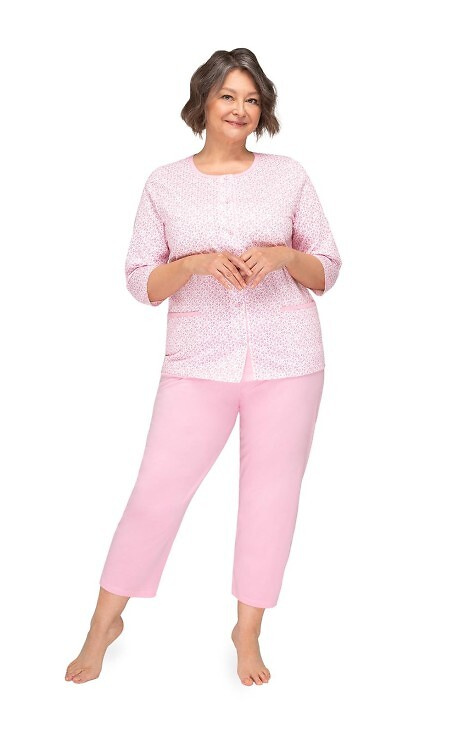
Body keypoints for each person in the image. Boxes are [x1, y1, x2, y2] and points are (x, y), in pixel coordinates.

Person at [65, 47, 342, 687]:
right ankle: (103, 623)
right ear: (204, 103)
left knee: (271, 498)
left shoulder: (289, 176)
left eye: (252, 99)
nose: (240, 109)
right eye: (228, 96)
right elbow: (141, 282)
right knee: (155, 492)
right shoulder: (164, 183)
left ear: (262, 109)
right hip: (197, 360)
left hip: (289, 357)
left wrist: (282, 256)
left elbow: (327, 267)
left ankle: (247, 632)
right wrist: (192, 264)